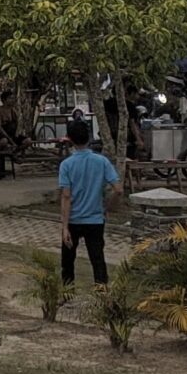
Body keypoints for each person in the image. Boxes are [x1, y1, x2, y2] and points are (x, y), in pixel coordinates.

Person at [58, 119, 120, 288]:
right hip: (95, 219)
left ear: (69, 139)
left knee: (68, 261)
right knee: (97, 259)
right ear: (89, 138)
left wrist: (64, 227)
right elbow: (118, 189)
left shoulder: (66, 165)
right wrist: (108, 207)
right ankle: (102, 294)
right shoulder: (102, 161)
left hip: (73, 220)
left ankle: (67, 293)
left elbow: (66, 196)